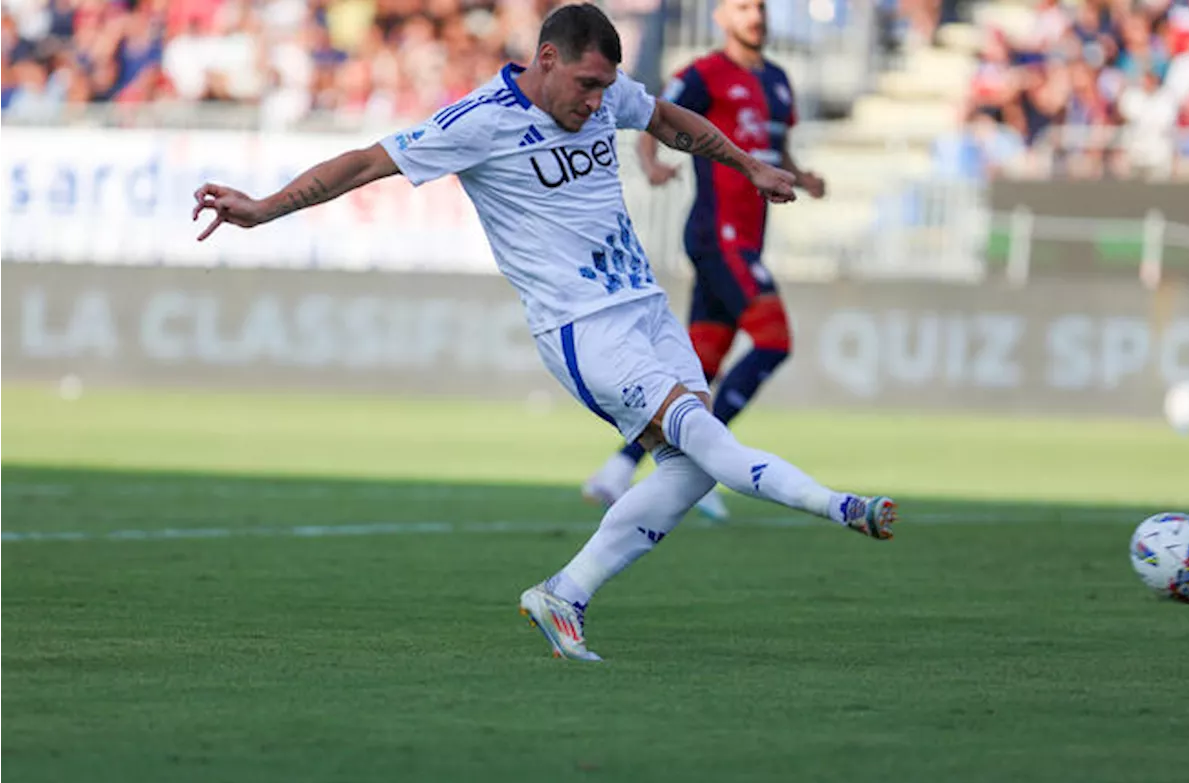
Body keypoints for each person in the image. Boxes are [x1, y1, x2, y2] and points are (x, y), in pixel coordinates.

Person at [191, 3, 896, 663]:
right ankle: (842, 506)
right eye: (586, 85)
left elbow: (666, 119)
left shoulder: (607, 95)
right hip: (582, 328)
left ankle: (565, 594)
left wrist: (748, 164)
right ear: (548, 58)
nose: (596, 104)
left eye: (604, 89)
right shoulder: (478, 122)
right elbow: (365, 163)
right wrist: (264, 208)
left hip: (646, 308)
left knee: (687, 470)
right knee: (712, 446)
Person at [581, 0, 826, 523]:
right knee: (773, 340)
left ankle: (617, 470)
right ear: (721, 17)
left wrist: (802, 177)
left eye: (759, 7)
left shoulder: (779, 81)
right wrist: (651, 163)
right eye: (743, 7)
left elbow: (775, 150)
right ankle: (702, 461)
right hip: (720, 234)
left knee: (701, 364)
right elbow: (655, 115)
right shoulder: (702, 73)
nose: (755, 16)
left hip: (749, 236)